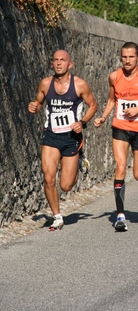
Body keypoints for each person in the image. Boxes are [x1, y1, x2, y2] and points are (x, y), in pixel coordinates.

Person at [94, 42, 138, 231]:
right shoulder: (114, 77)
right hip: (121, 126)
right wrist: (103, 116)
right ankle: (120, 216)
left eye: (131, 57)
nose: (127, 60)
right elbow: (112, 100)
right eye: (124, 57)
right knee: (120, 166)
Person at [28, 50, 97, 231]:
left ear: (70, 64)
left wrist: (82, 122)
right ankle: (57, 216)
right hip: (51, 136)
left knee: (65, 186)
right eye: (56, 60)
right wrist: (34, 106)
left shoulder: (80, 85)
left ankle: (79, 159)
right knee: (49, 178)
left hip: (71, 138)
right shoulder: (45, 84)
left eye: (62, 60)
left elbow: (93, 105)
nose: (59, 63)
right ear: (52, 63)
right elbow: (38, 103)